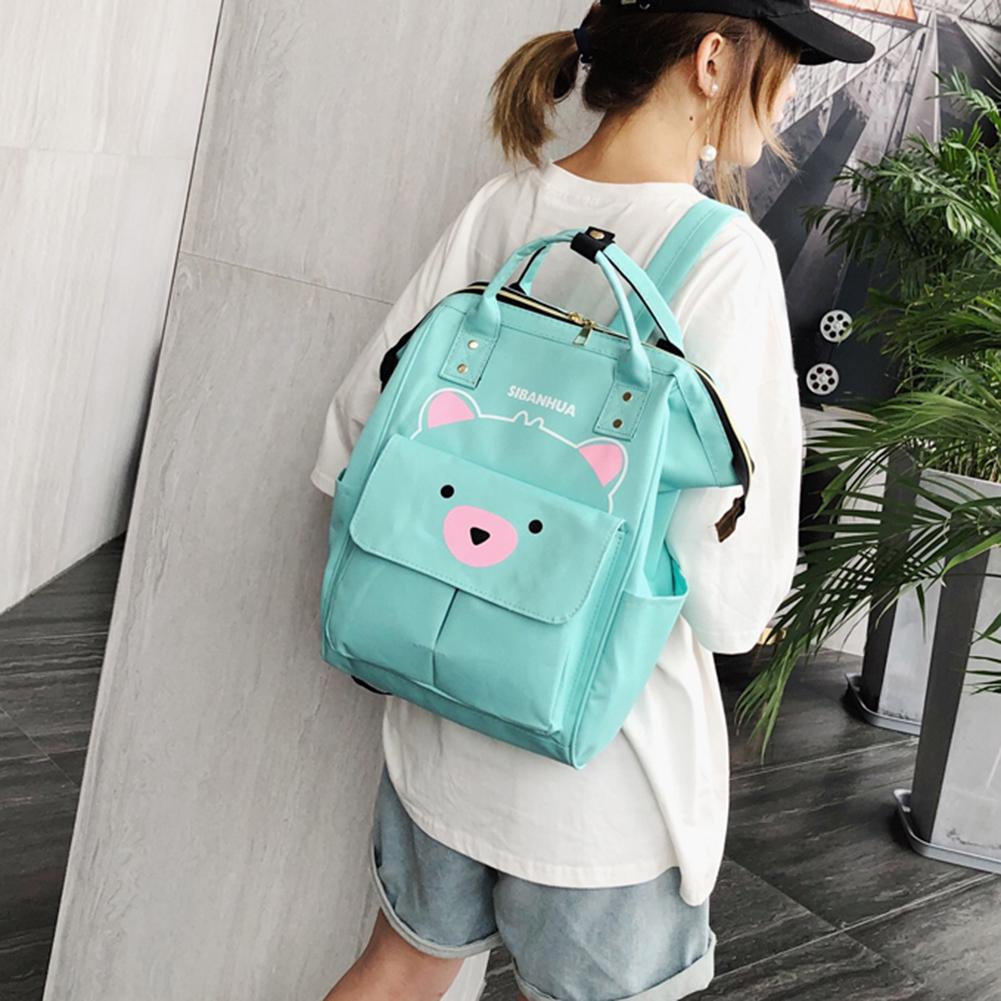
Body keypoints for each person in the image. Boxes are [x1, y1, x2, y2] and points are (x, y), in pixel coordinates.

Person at [311, 2, 874, 999]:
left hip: (440, 720)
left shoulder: (505, 207)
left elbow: (355, 434)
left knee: (397, 968)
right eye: (782, 67)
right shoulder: (720, 253)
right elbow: (729, 592)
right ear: (712, 61)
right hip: (601, 771)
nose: (784, 99)